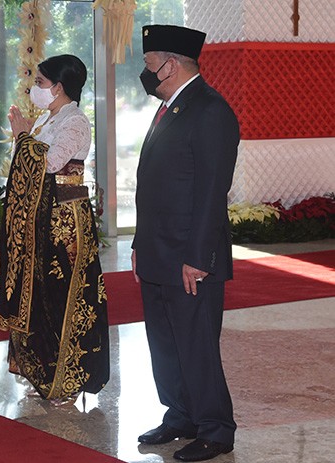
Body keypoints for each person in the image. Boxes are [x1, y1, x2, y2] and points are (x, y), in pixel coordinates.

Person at [132, 25, 239, 462]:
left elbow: (213, 192)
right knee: (164, 343)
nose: (146, 74)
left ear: (170, 64)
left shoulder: (210, 110)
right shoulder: (171, 108)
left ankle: (216, 428)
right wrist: (140, 243)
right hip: (158, 252)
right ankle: (180, 415)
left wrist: (198, 258)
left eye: (148, 65)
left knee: (195, 346)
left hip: (189, 257)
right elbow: (153, 187)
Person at [0, 54, 110, 402]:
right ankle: (43, 370)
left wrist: (24, 137)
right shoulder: (48, 118)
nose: (35, 89)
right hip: (42, 218)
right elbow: (29, 160)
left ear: (59, 87)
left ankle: (68, 379)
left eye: (40, 83)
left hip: (65, 222)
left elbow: (51, 163)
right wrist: (26, 136)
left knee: (63, 296)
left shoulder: (74, 122)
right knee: (39, 293)